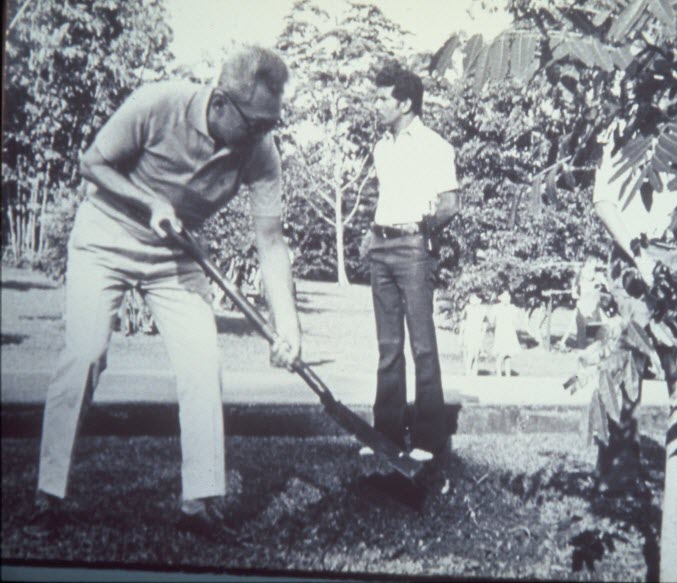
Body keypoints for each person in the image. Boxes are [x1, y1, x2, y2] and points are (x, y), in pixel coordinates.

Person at [29, 46, 301, 538]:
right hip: (106, 235)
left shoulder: (260, 152)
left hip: (175, 253)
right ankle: (48, 497)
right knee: (86, 353)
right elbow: (93, 164)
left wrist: (289, 327)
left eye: (271, 123)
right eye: (258, 123)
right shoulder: (156, 103)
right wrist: (149, 200)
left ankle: (198, 505)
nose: (266, 135)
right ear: (220, 103)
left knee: (202, 364)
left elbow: (271, 240)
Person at [592, 120, 677, 492]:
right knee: (627, 363)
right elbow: (603, 203)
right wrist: (639, 255)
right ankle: (619, 471)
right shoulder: (621, 131)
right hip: (632, 259)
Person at [359, 64, 459, 463]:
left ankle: (429, 438)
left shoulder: (436, 146)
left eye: (382, 98)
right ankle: (384, 433)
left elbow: (451, 204)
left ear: (405, 103)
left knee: (422, 347)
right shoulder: (382, 146)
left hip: (414, 250)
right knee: (387, 347)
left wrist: (420, 229)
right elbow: (388, 196)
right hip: (380, 248)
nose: (375, 105)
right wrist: (374, 233)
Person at [492, 291, 521, 376]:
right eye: (504, 297)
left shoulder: (512, 308)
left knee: (508, 355)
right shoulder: (496, 308)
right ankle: (499, 374)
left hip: (509, 332)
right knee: (501, 354)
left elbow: (516, 320)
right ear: (500, 298)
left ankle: (508, 375)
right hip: (501, 332)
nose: (506, 299)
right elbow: (492, 320)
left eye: (508, 297)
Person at [459, 293, 489, 376]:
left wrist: (483, 333)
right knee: (469, 352)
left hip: (478, 334)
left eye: (475, 298)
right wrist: (461, 334)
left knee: (476, 354)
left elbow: (485, 323)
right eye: (471, 298)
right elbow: (463, 322)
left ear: (479, 300)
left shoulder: (483, 310)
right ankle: (468, 371)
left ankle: (474, 371)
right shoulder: (467, 309)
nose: (472, 300)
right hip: (469, 333)